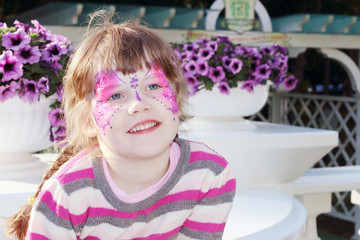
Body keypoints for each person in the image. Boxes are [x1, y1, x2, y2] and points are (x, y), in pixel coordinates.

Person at [7, 10, 236, 240]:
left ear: (175, 97)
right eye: (115, 96)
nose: (139, 104)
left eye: (153, 86)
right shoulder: (66, 196)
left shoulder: (209, 175)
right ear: (88, 121)